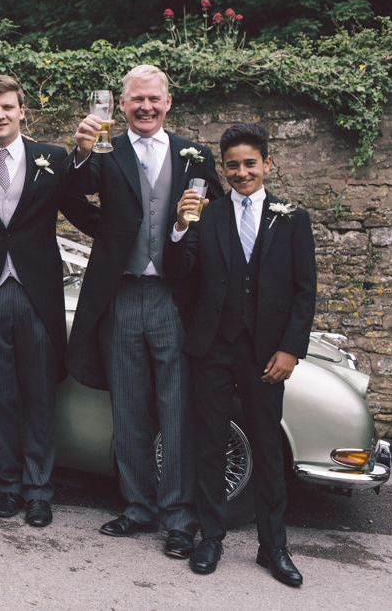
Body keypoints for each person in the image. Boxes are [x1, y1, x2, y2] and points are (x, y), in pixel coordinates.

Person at [67, 64, 222, 557]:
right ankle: (136, 507)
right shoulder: (106, 149)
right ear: (122, 104)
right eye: (136, 100)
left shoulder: (192, 153)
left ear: (168, 102)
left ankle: (178, 517)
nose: (146, 107)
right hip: (121, 293)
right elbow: (70, 195)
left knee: (176, 410)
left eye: (154, 99)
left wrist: (184, 233)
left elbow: (213, 215)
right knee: (129, 406)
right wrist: (107, 228)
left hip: (173, 297)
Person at [165, 123, 315, 586]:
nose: (242, 172)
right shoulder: (207, 216)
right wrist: (178, 226)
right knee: (208, 443)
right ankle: (210, 536)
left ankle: (274, 547)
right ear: (222, 168)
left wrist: (290, 349)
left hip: (266, 353)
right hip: (212, 348)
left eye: (251, 163)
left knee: (268, 448)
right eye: (233, 165)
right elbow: (181, 273)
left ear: (267, 164)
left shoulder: (292, 218)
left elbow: (304, 291)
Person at [0, 75, 97, 527]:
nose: (0, 115)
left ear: (22, 111)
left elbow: (82, 208)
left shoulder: (52, 158)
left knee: (39, 395)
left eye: (8, 107)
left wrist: (132, 235)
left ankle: (39, 491)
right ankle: (8, 486)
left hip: (38, 292)